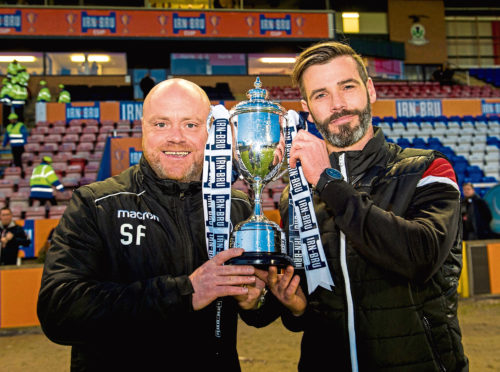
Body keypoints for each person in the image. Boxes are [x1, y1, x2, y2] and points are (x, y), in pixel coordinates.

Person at [257, 41, 468, 371]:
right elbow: (307, 310)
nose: (338, 104)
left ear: (370, 89)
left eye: (348, 87)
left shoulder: (426, 169)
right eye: (321, 95)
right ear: (307, 109)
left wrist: (328, 183)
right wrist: (294, 306)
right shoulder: (295, 197)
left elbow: (420, 258)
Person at [37, 78, 268, 371]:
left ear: (210, 131)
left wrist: (257, 301)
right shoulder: (96, 204)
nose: (175, 137)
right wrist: (185, 292)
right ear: (142, 129)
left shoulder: (238, 206)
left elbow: (259, 311)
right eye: (161, 124)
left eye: (190, 125)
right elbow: (59, 312)